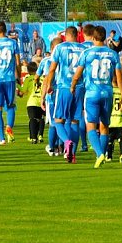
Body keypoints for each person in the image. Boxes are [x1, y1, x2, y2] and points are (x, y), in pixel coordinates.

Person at [71, 26, 122, 168]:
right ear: (104, 37)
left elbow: (77, 74)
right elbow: (119, 78)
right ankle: (101, 156)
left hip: (91, 94)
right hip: (107, 93)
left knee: (90, 126)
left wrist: (73, 86)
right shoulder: (113, 54)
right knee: (104, 126)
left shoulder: (87, 53)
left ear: (93, 38)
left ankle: (100, 154)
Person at [42, 26, 85, 163]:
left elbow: (53, 68)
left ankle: (66, 142)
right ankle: (71, 154)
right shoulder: (83, 49)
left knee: (58, 120)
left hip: (64, 87)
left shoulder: (59, 47)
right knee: (74, 121)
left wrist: (49, 84)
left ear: (66, 35)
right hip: (79, 87)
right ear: (77, 35)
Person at [19, 61, 44, 143]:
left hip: (32, 102)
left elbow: (23, 91)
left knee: (32, 119)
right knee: (40, 119)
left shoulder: (28, 79)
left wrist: (17, 85)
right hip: (41, 101)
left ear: (28, 71)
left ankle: (33, 138)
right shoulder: (42, 78)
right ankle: (40, 135)